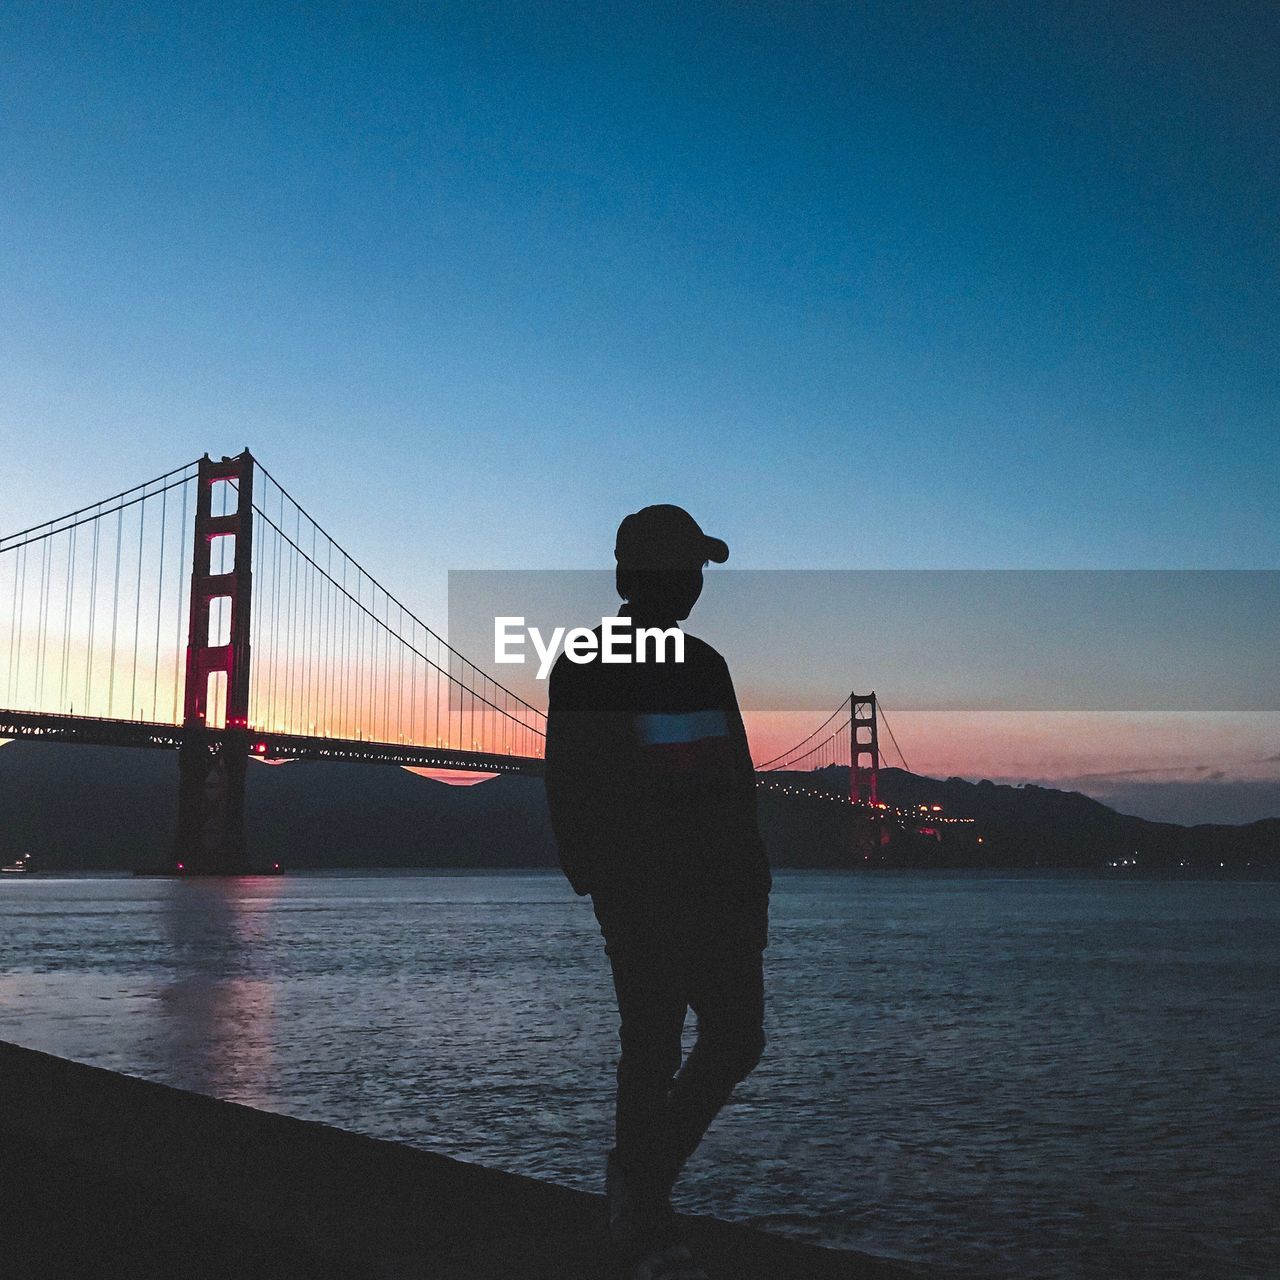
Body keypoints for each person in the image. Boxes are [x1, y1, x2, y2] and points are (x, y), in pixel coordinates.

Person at [544, 505, 771, 1280]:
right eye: (685, 568)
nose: (694, 583)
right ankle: (643, 1215)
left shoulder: (707, 664)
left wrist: (754, 891)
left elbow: (737, 783)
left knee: (737, 1037)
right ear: (636, 575)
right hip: (643, 895)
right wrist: (605, 885)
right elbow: (570, 787)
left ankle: (638, 1186)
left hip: (718, 890)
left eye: (698, 570)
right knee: (651, 1047)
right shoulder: (584, 665)